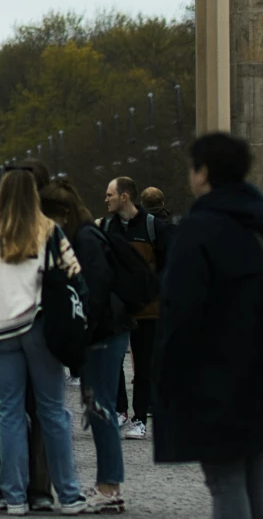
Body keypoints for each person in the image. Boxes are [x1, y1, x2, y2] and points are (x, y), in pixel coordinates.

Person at [152, 130, 263, 519]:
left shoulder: (198, 229)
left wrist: (167, 377)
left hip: (212, 375)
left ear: (203, 173)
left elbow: (180, 312)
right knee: (254, 475)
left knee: (225, 481)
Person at [0, 166, 87, 517]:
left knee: (9, 414)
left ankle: (13, 496)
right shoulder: (49, 231)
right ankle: (69, 494)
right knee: (53, 412)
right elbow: (75, 278)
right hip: (39, 326)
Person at [43, 179, 139, 513]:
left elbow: (94, 290)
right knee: (100, 409)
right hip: (107, 330)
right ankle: (107, 483)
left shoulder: (84, 239)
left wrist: (84, 332)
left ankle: (110, 487)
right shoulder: (87, 235)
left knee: (101, 409)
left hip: (104, 333)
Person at [100, 177, 171, 437]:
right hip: (117, 309)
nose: (106, 199)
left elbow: (169, 265)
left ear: (125, 196)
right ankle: (120, 410)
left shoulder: (154, 228)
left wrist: (153, 291)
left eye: (110, 194)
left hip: (147, 308)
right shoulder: (108, 228)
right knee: (113, 362)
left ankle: (139, 418)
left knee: (143, 366)